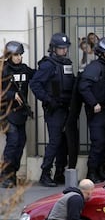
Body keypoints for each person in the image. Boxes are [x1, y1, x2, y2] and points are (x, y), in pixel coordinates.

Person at [30, 32, 75, 187]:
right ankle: (45, 173)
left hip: (66, 108)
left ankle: (59, 172)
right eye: (61, 48)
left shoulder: (67, 63)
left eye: (65, 48)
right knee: (55, 142)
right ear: (54, 48)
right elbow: (35, 84)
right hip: (54, 110)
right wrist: (49, 100)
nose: (64, 51)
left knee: (64, 142)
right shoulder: (48, 65)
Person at [79, 37, 105, 183]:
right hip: (95, 109)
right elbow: (84, 87)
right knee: (98, 141)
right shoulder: (94, 67)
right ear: (100, 53)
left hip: (103, 108)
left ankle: (100, 170)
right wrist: (93, 103)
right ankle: (91, 172)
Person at [0, 41, 35, 188]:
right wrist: (11, 95)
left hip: (20, 113)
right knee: (13, 141)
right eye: (15, 55)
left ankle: (13, 173)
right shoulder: (3, 70)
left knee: (20, 143)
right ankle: (5, 175)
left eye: (20, 54)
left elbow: (37, 75)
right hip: (7, 112)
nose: (18, 57)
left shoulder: (23, 69)